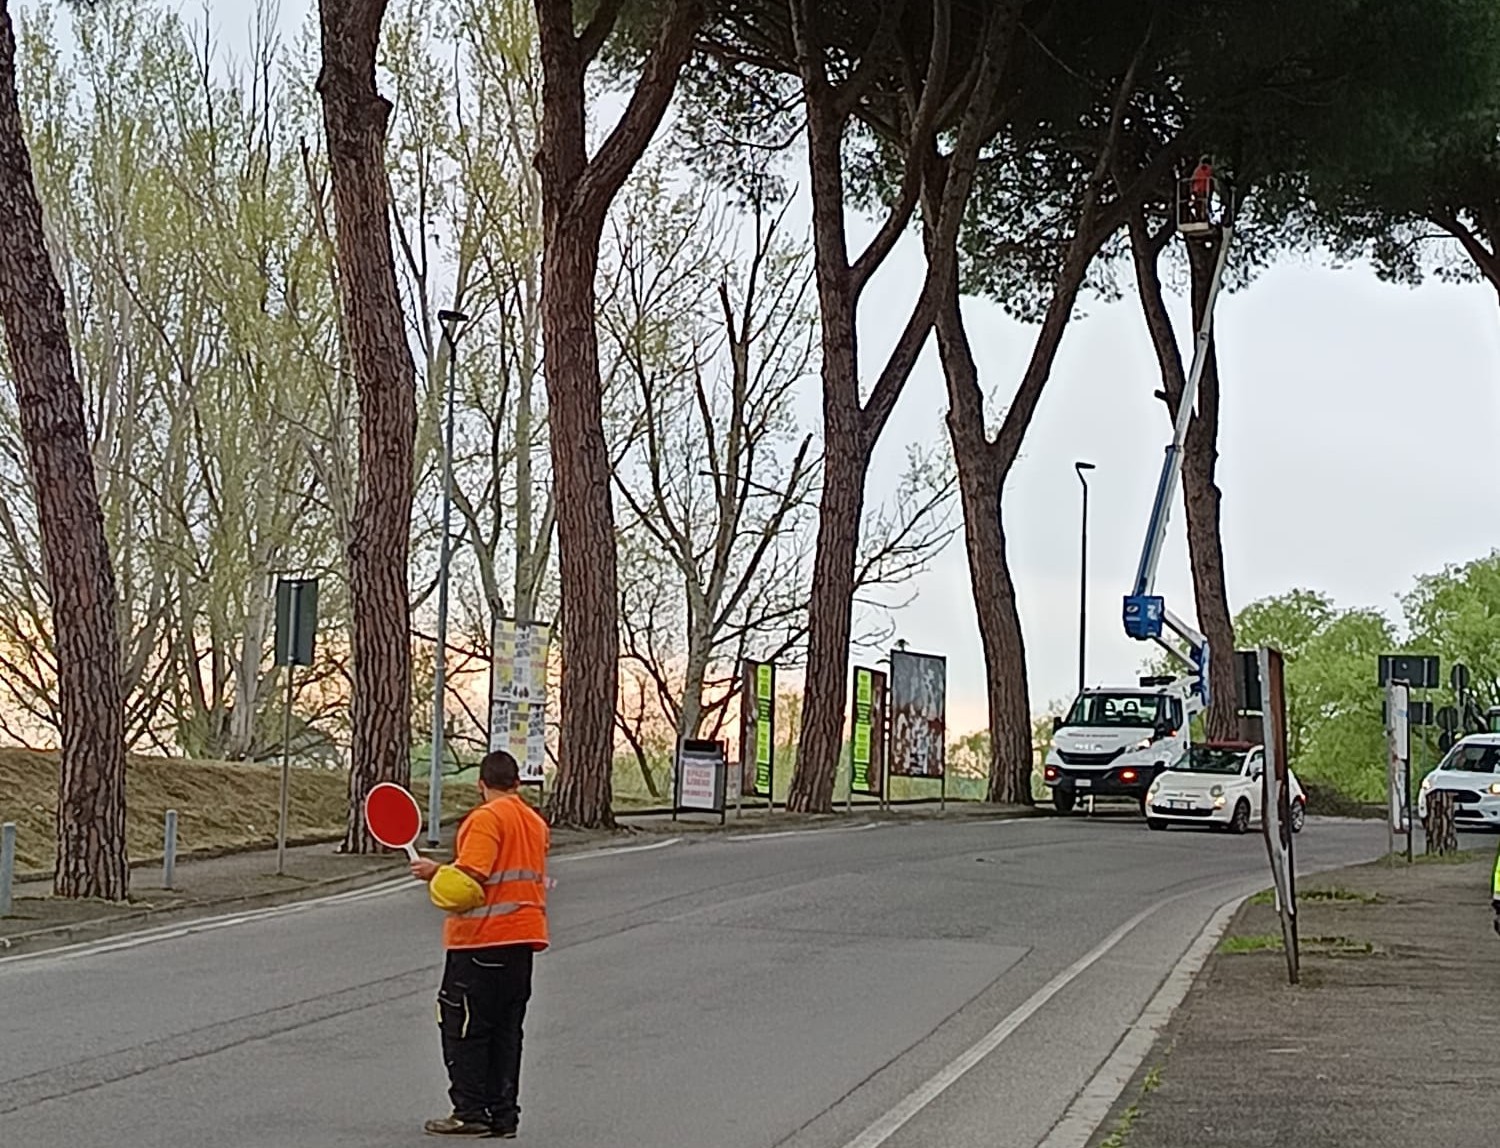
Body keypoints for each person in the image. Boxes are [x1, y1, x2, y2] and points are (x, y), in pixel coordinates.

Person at [410, 750, 550, 1138]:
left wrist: (435, 873)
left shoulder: (486, 818)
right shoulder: (534, 823)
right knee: (507, 1033)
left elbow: (470, 879)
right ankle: (504, 1115)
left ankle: (469, 1111)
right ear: (517, 783)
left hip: (481, 942)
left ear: (481, 785)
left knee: (465, 1028)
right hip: (523, 942)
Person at [1190, 155, 1214, 221]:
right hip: (1203, 189)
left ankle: (1200, 216)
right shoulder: (1208, 168)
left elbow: (1192, 179)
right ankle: (1202, 216)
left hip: (1199, 189)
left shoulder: (1197, 169)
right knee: (1203, 203)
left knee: (1200, 203)